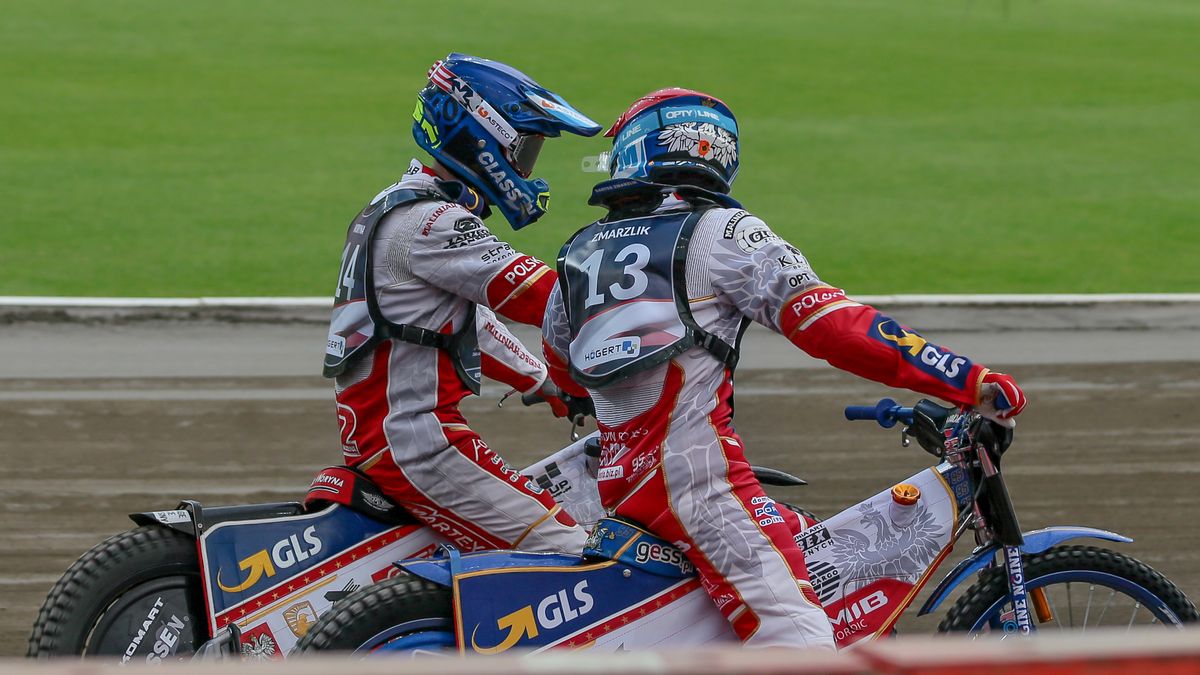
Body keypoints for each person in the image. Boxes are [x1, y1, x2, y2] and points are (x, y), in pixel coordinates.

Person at [542, 88, 1027, 648]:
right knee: (801, 641)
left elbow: (564, 365)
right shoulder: (722, 233)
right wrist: (970, 380)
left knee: (806, 547)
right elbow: (837, 328)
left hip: (622, 482)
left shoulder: (580, 250)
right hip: (699, 485)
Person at [322, 54, 601, 554]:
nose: (529, 169)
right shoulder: (434, 222)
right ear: (482, 137)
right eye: (526, 150)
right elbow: (540, 295)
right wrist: (641, 302)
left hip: (389, 437)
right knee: (572, 553)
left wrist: (542, 379)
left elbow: (470, 324)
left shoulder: (397, 204)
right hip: (419, 442)